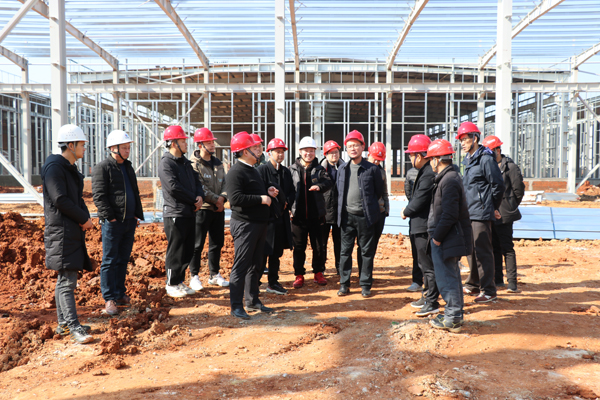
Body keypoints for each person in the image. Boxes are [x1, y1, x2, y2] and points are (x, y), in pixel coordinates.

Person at [42, 124, 94, 344]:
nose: (84, 148)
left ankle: (63, 324)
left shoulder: (69, 169)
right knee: (67, 282)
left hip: (70, 230)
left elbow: (77, 199)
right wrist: (82, 219)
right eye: (82, 144)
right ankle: (74, 327)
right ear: (71, 145)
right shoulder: (54, 168)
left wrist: (86, 217)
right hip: (61, 232)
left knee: (64, 279)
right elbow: (60, 199)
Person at [92, 130, 144, 316]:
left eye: (128, 147)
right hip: (113, 223)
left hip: (129, 221)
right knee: (110, 260)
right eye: (124, 148)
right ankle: (109, 298)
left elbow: (134, 192)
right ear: (113, 148)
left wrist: (136, 215)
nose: (128, 151)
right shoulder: (103, 168)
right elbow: (99, 196)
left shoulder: (128, 167)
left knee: (123, 259)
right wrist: (111, 217)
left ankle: (120, 293)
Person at [226, 132, 277, 319]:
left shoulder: (253, 170)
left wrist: (267, 191)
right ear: (245, 151)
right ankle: (236, 306)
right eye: (254, 147)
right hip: (245, 225)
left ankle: (253, 300)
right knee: (241, 265)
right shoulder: (236, 172)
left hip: (258, 224)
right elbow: (235, 198)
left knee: (256, 264)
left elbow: (253, 191)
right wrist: (261, 199)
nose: (259, 150)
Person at [426, 139, 473, 333]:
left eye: (431, 159)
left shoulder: (449, 180)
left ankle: (453, 318)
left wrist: (437, 237)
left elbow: (450, 214)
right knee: (451, 276)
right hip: (448, 236)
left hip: (447, 237)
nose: (430, 163)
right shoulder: (448, 177)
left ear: (437, 159)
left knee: (447, 278)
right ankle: (454, 314)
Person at [457, 122, 505, 304]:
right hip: (470, 211)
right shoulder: (469, 159)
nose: (462, 143)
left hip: (481, 212)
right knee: (471, 249)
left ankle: (489, 290)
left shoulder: (485, 159)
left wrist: (492, 206)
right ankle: (473, 283)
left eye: (465, 139)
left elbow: (498, 185)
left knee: (483, 251)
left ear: (475, 138)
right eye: (460, 140)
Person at [158, 125, 205, 298]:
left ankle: (179, 281)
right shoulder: (166, 163)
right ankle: (171, 283)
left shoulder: (185, 163)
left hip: (189, 212)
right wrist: (194, 199)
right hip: (175, 213)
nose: (186, 143)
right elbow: (173, 187)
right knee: (176, 249)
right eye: (183, 141)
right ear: (173, 143)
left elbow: (197, 182)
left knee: (187, 249)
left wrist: (199, 197)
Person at [336, 130, 384, 298]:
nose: (353, 148)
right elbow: (339, 191)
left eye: (356, 145)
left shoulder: (372, 169)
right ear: (346, 149)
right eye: (349, 146)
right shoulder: (342, 169)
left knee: (366, 252)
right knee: (345, 252)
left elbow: (378, 192)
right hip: (346, 217)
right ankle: (344, 284)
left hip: (365, 217)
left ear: (363, 147)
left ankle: (365, 284)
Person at [401, 135, 440, 317]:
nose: (410, 159)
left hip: (424, 227)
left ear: (420, 155)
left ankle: (432, 302)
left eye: (411, 155)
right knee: (422, 264)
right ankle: (427, 296)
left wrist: (406, 211)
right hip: (419, 225)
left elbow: (420, 199)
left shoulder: (428, 174)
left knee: (427, 266)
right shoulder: (424, 171)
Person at [482, 135, 525, 293]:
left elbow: (518, 191)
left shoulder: (510, 167)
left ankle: (512, 282)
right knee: (494, 247)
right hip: (491, 212)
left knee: (507, 248)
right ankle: (498, 280)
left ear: (498, 150)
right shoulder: (488, 167)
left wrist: (510, 206)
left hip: (505, 214)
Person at [289, 136, 333, 289]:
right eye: (306, 150)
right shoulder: (292, 169)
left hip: (316, 215)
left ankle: (318, 272)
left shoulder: (319, 169)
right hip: (298, 216)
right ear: (300, 151)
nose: (309, 153)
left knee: (319, 246)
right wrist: (289, 209)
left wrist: (319, 186)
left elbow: (328, 182)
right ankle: (299, 275)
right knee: (299, 247)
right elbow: (288, 190)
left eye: (312, 151)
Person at [188, 127, 229, 291]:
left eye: (212, 142)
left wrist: (223, 198)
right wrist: (216, 200)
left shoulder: (218, 163)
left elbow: (225, 182)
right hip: (203, 209)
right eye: (209, 142)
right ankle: (194, 276)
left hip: (218, 209)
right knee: (197, 244)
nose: (213, 145)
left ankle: (214, 274)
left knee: (217, 243)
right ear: (200, 145)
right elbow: (199, 186)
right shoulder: (194, 164)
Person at [257, 138, 295, 295]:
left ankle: (273, 282)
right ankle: (254, 282)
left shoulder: (285, 172)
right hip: (266, 219)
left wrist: (287, 202)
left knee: (276, 252)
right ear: (269, 153)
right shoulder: (262, 171)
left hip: (281, 218)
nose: (280, 154)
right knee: (262, 251)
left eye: (282, 152)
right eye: (277, 151)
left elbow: (292, 192)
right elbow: (257, 191)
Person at [357, 141, 389, 276]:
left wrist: (386, 209)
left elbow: (385, 192)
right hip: (365, 212)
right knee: (364, 244)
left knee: (373, 244)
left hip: (379, 212)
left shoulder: (381, 172)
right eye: (374, 158)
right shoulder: (361, 169)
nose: (376, 161)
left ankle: (367, 272)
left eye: (379, 160)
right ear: (368, 154)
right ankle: (362, 272)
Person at [321, 140, 343, 275]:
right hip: (324, 212)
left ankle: (340, 268)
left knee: (339, 242)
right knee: (322, 243)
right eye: (331, 153)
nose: (334, 155)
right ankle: (321, 268)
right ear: (326, 155)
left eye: (336, 152)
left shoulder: (345, 168)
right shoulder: (320, 170)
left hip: (340, 212)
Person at [404, 166, 423, 292]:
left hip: (431, 217)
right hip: (415, 216)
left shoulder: (432, 172)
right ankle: (417, 280)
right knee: (416, 250)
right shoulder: (411, 173)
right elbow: (408, 192)